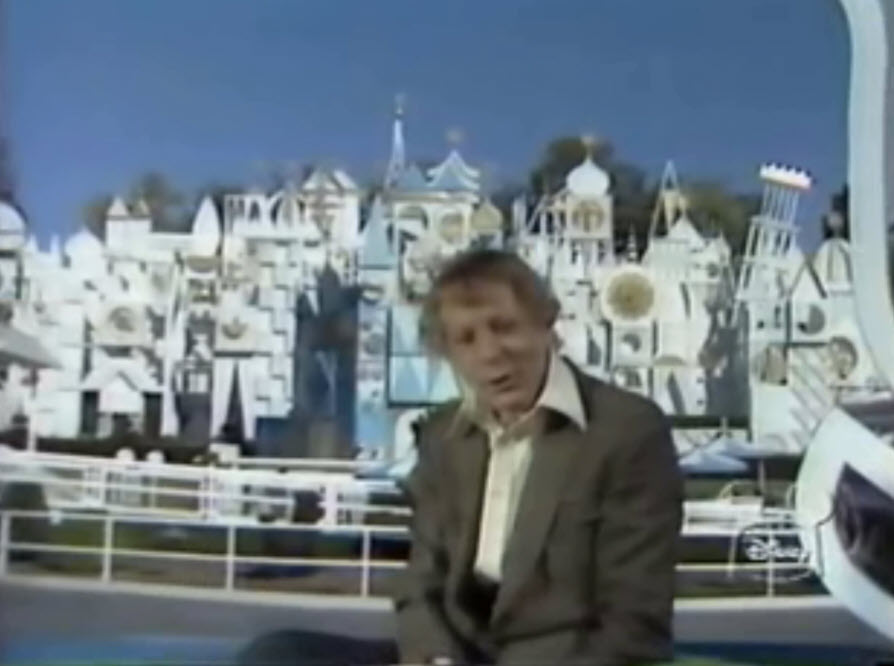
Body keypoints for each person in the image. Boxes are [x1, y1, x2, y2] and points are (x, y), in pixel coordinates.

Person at [394, 248, 683, 665]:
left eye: (504, 327)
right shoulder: (443, 436)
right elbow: (421, 586)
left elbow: (632, 625)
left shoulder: (626, 431)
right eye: (466, 339)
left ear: (546, 323)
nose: (490, 352)